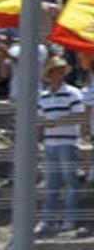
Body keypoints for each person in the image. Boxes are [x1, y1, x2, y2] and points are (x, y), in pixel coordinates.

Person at [37, 57, 87, 235]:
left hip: (67, 142)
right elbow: (39, 118)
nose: (60, 73)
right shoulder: (42, 96)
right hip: (50, 144)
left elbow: (81, 116)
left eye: (61, 70)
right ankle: (48, 220)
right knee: (52, 185)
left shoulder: (73, 93)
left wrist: (55, 122)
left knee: (70, 183)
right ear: (50, 74)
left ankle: (69, 221)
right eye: (56, 70)